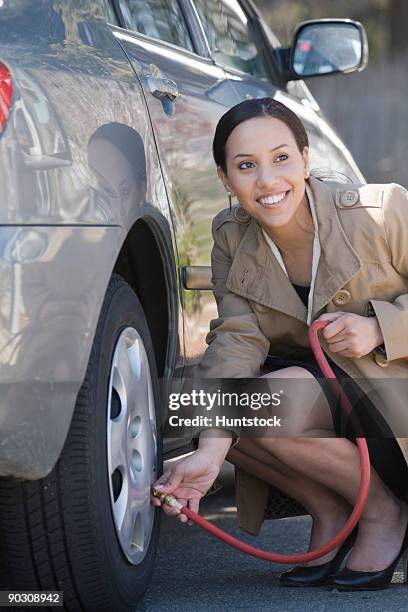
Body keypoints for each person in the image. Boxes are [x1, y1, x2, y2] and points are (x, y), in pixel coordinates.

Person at [151, 98, 408, 591]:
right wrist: (210, 450)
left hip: (391, 396)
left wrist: (380, 329)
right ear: (226, 179)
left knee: (261, 403)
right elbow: (238, 339)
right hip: (327, 398)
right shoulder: (231, 236)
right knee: (203, 407)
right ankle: (333, 511)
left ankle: (383, 512)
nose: (267, 180)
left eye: (281, 158)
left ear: (306, 158)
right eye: (246, 166)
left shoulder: (381, 211)